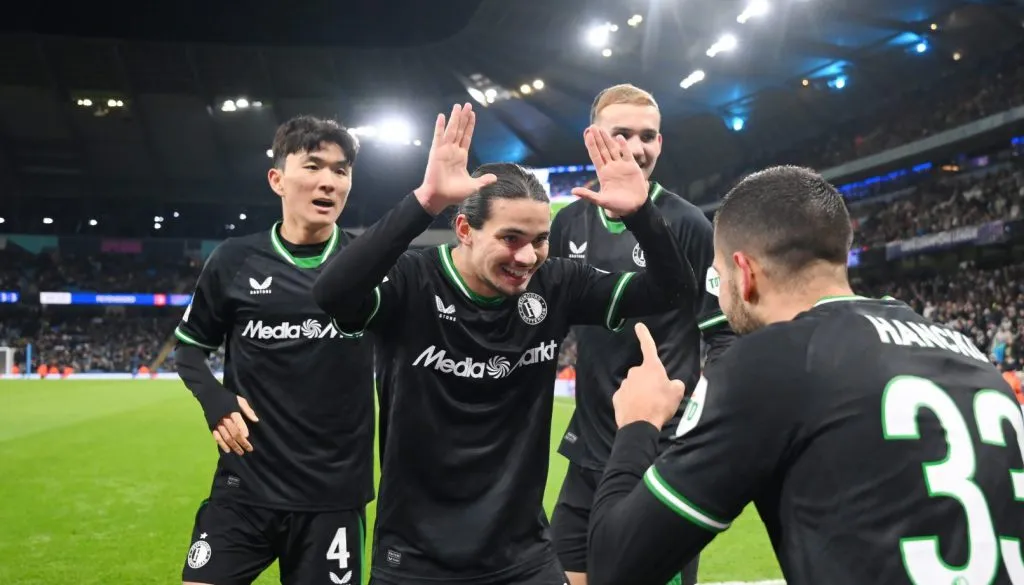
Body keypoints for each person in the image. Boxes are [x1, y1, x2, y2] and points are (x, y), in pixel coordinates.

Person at [311, 103, 698, 585]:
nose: (527, 256)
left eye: (539, 239)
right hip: (416, 561)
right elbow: (331, 294)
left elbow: (674, 292)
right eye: (511, 238)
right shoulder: (413, 281)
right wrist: (426, 200)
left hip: (524, 558)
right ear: (465, 229)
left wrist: (642, 216)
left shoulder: (556, 284)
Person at [585, 165, 1024, 585]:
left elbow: (616, 566)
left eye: (718, 279)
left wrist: (638, 423)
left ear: (745, 272)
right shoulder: (966, 351)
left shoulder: (771, 359)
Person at [174, 116, 375, 585]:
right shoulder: (234, 259)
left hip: (332, 498)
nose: (329, 181)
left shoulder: (367, 264)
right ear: (277, 179)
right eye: (313, 166)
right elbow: (189, 349)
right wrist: (215, 400)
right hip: (243, 487)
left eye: (341, 171)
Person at [549, 83, 734, 585]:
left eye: (648, 135)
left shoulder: (689, 224)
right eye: (622, 133)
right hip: (587, 451)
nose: (637, 147)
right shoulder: (567, 223)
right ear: (593, 139)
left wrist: (698, 423)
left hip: (658, 451)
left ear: (661, 143)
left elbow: (724, 336)